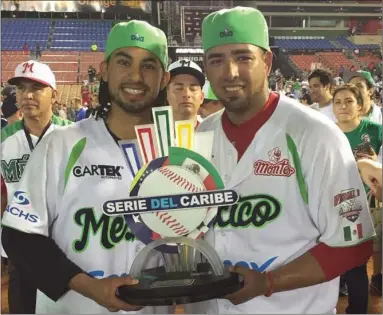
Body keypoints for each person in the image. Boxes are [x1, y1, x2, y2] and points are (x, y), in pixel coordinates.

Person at [185, 7, 374, 314]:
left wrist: (269, 282)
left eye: (243, 57)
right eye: (216, 60)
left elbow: (353, 244)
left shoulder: (315, 134)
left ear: (267, 61)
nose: (229, 72)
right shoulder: (200, 135)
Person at [2, 20, 173, 314]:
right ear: (105, 70)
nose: (136, 76)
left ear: (164, 79)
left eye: (149, 66)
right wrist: (91, 287)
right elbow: (19, 236)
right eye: (124, 62)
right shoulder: (62, 144)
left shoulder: (180, 150)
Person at [1, 60, 72, 314]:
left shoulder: (75, 134)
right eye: (21, 89)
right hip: (22, 249)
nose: (27, 95)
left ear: (54, 94)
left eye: (36, 88)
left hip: (67, 246)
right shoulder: (4, 139)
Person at [332, 84, 382, 312]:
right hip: (336, 204)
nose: (343, 106)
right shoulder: (327, 133)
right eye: (338, 101)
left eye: (349, 101)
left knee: (358, 261)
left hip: (370, 205)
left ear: (360, 105)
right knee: (339, 260)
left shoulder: (375, 130)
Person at [167, 59, 205, 127]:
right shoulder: (153, 134)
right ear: (166, 95)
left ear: (202, 97)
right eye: (179, 88)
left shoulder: (214, 131)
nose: (187, 94)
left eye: (193, 89)